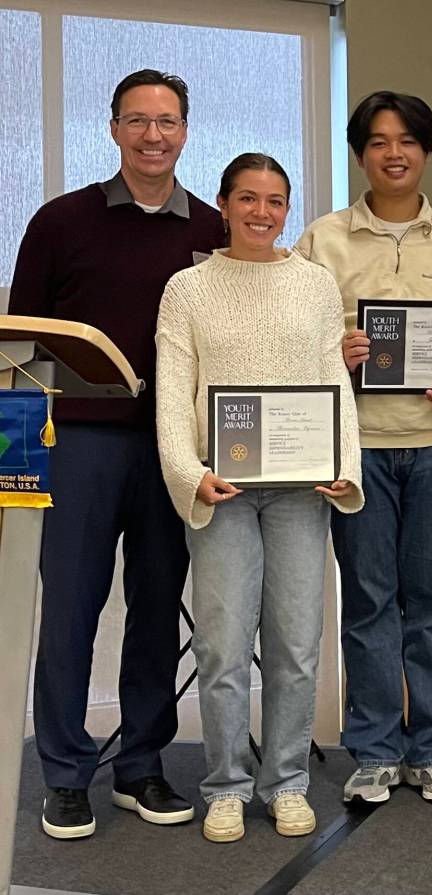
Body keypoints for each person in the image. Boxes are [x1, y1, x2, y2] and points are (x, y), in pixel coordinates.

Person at [8, 69, 224, 839]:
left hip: (173, 450)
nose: (153, 135)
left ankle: (141, 765)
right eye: (138, 120)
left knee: (158, 611)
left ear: (186, 131)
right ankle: (65, 775)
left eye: (167, 121)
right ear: (113, 129)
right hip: (77, 447)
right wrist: (16, 462)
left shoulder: (212, 228)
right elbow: (19, 348)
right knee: (69, 610)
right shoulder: (59, 222)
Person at [155, 153, 362, 843]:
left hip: (302, 491)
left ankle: (287, 781)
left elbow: (334, 380)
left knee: (298, 644)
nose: (261, 212)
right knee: (220, 644)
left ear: (287, 208)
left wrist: (344, 463)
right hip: (225, 488)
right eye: (247, 198)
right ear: (222, 203)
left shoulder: (315, 285)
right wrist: (190, 473)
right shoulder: (187, 288)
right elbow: (174, 394)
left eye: (275, 200)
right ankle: (226, 784)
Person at [295, 91, 432, 804]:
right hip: (359, 447)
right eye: (378, 141)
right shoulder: (322, 240)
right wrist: (331, 352)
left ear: (426, 151)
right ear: (361, 153)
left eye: (407, 140)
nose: (394, 153)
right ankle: (374, 747)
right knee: (370, 601)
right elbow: (296, 345)